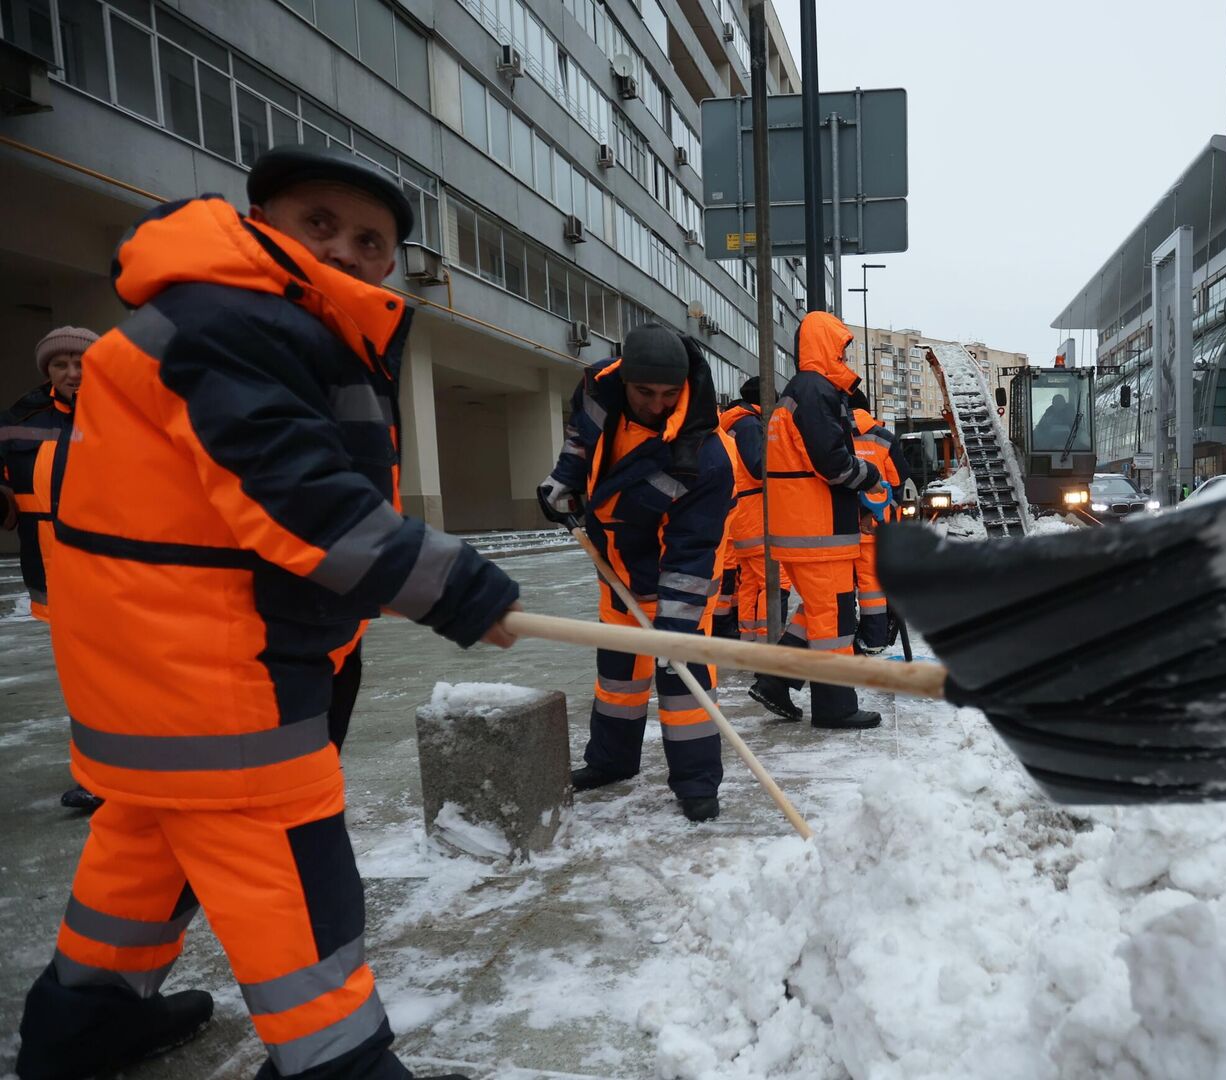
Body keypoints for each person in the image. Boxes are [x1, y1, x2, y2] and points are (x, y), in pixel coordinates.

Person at [14, 146, 520, 1080]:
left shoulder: (233, 315)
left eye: (373, 240)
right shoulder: (234, 318)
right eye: (318, 222)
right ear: (261, 221)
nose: (351, 251)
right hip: (214, 672)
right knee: (292, 876)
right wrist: (457, 587)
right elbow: (301, 498)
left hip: (149, 670)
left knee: (145, 842)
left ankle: (81, 1024)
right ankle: (340, 1066)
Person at [537, 324, 732, 821]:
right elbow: (583, 437)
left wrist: (677, 628)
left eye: (670, 394)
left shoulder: (703, 454)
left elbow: (692, 551)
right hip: (617, 560)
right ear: (625, 376)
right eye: (645, 392)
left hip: (680, 575)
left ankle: (696, 782)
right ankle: (611, 761)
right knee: (619, 676)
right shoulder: (600, 388)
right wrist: (563, 481)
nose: (658, 404)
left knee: (682, 679)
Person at [749, 311, 886, 729]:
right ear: (826, 346)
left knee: (820, 611)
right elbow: (832, 463)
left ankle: (776, 680)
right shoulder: (815, 391)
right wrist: (870, 476)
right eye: (841, 347)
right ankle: (835, 707)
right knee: (834, 621)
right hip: (817, 528)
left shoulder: (803, 391)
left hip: (808, 528)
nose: (846, 355)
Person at [2, 326, 102, 812]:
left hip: (113, 576)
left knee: (113, 679)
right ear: (48, 371)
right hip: (50, 574)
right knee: (83, 683)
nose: (73, 373)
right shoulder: (20, 420)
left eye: (81, 363)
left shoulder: (124, 414)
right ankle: (98, 775)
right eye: (61, 365)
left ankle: (111, 775)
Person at [717, 376, 783, 645]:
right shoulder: (749, 425)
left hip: (743, 513)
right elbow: (759, 469)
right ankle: (768, 639)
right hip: (755, 513)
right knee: (775, 580)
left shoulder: (734, 423)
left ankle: (749, 634)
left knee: (752, 582)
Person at [847, 388, 905, 655]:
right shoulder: (884, 439)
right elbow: (899, 481)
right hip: (875, 525)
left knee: (842, 585)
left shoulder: (830, 436)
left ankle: (843, 636)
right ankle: (873, 639)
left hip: (839, 526)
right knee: (872, 585)